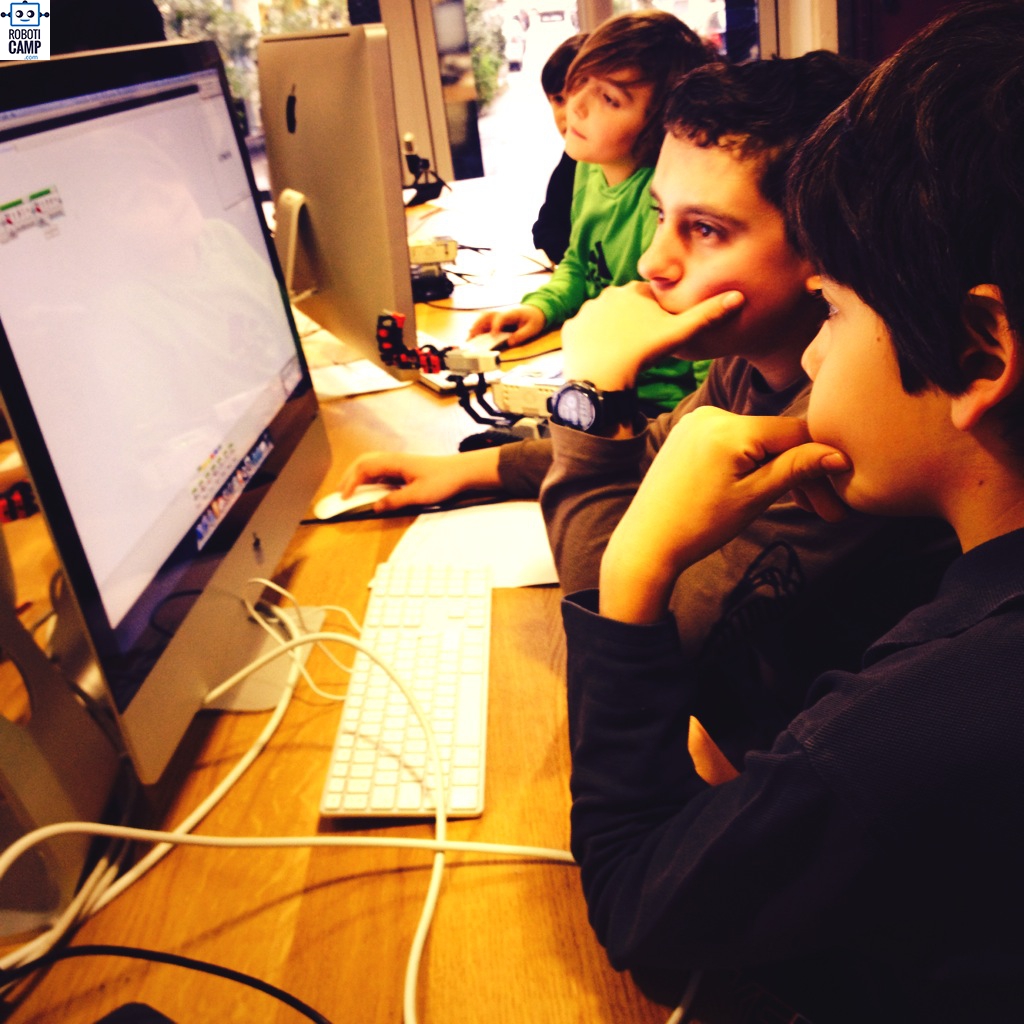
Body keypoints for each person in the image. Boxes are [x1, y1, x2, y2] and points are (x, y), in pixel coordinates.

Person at [562, 3, 1024, 1021]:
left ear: (979, 353)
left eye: (840, 308)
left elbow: (644, 910)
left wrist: (630, 574)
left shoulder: (921, 713)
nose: (816, 349)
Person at [345, 52, 954, 760]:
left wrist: (592, 390)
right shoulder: (750, 365)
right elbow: (654, 452)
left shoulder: (836, 437)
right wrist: (472, 471)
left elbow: (621, 629)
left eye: (706, 230)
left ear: (825, 250)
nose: (652, 263)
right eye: (661, 215)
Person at [471, 9, 715, 411]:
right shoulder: (589, 168)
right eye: (580, 82)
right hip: (593, 377)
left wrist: (698, 418)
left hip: (656, 405)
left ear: (659, 123)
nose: (576, 105)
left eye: (609, 99)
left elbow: (706, 334)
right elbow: (578, 264)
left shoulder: (666, 203)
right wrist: (539, 308)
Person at [531, 32, 588, 266]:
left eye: (578, 98)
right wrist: (574, 265)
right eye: (558, 100)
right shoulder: (573, 158)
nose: (568, 114)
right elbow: (545, 228)